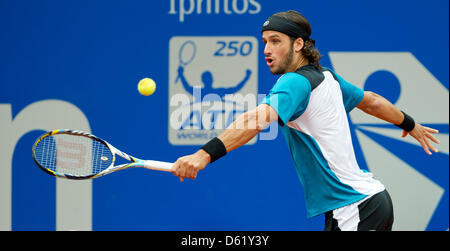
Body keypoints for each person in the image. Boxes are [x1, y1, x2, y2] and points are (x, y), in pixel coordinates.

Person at [171, 10, 440, 231]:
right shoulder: (328, 78)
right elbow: (371, 101)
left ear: (298, 44)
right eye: (264, 41)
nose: (266, 49)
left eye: (275, 41)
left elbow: (256, 119)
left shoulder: (294, 82)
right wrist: (409, 124)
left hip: (354, 206)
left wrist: (204, 155)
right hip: (362, 204)